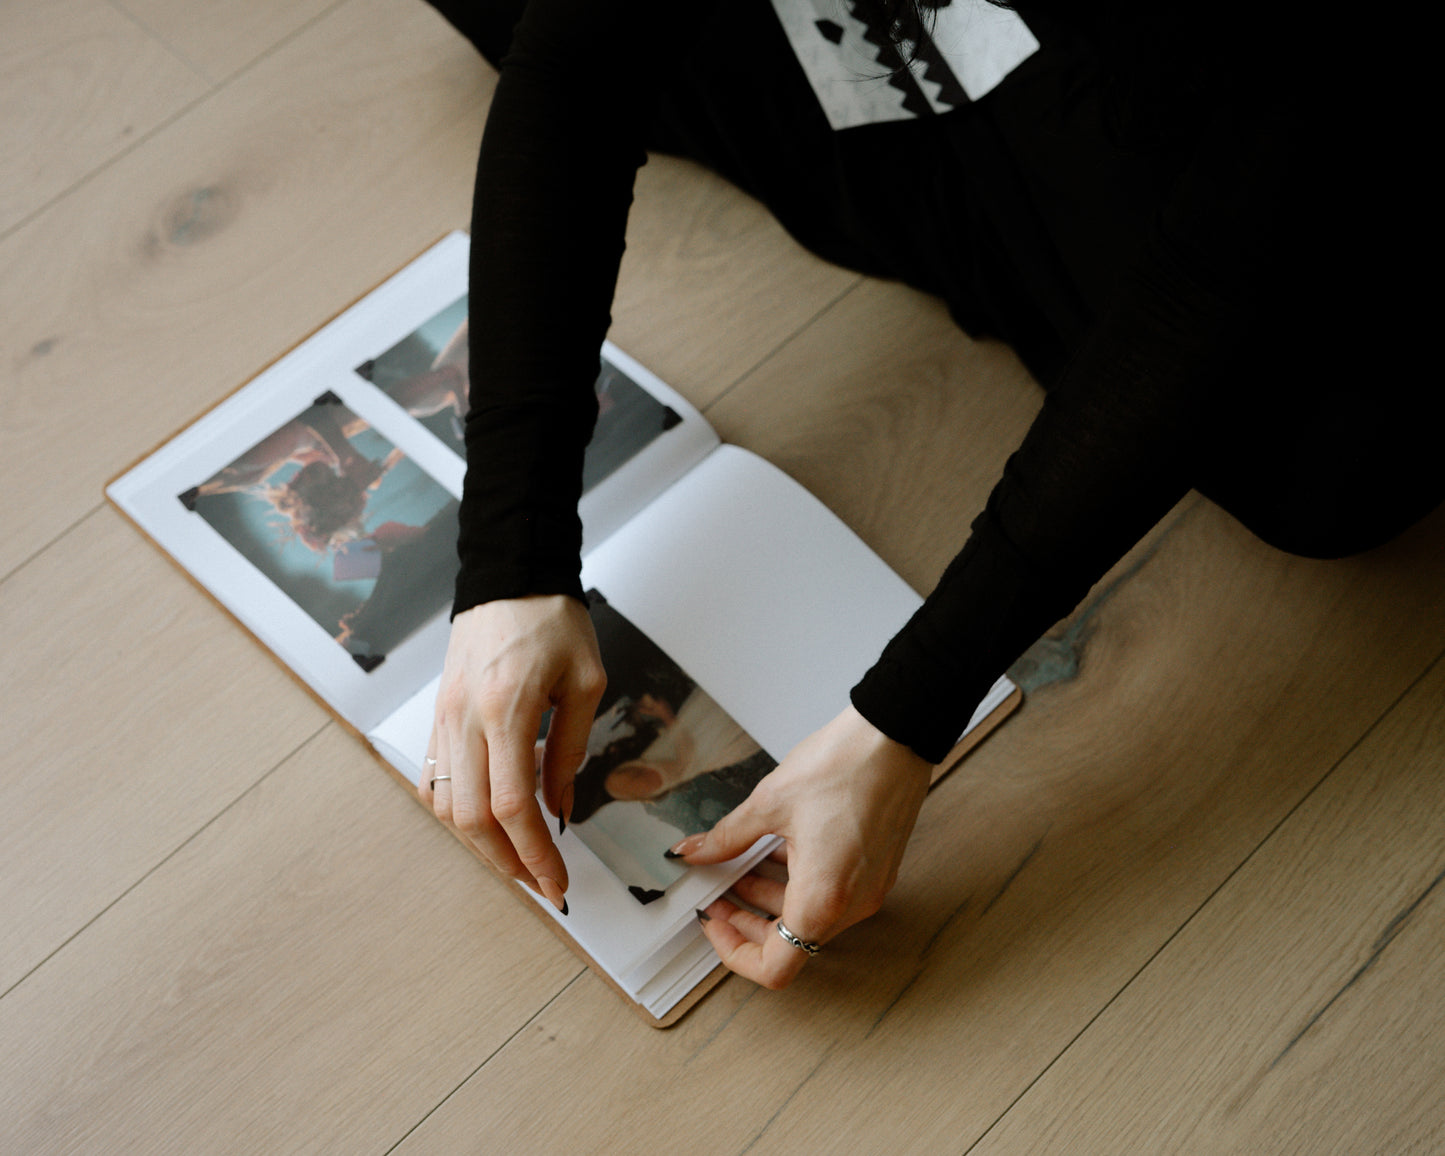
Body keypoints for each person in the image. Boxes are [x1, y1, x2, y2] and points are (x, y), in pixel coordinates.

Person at [416, 0, 1440, 989]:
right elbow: (581, 64)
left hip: (1145, 77)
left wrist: (897, 725)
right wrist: (511, 563)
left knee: (1330, 461)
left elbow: (1222, 260)